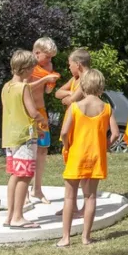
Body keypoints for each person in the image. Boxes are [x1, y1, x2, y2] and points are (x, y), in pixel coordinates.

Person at [58, 69, 120, 247]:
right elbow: (115, 134)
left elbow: (64, 131)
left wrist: (66, 144)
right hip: (96, 157)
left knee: (69, 197)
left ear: (83, 86)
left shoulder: (75, 107)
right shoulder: (106, 108)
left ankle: (66, 238)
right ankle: (86, 237)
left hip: (76, 155)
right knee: (90, 197)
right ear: (101, 88)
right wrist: (105, 146)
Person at [1, 50, 49, 229]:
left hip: (10, 136)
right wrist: (42, 122)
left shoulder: (6, 87)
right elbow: (32, 111)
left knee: (15, 174)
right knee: (25, 175)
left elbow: (14, 112)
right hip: (25, 138)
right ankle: (18, 217)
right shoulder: (24, 88)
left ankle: (10, 215)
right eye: (32, 68)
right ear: (26, 68)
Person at [53, 48, 91, 217]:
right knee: (70, 167)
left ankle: (83, 205)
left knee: (81, 169)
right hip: (71, 127)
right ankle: (72, 204)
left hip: (80, 128)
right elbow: (58, 93)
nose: (68, 68)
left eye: (70, 65)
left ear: (78, 64)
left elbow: (71, 100)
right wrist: (69, 93)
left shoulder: (87, 80)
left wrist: (69, 97)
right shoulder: (75, 79)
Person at [29, 37, 60, 205]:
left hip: (41, 112)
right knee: (28, 151)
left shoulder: (46, 67)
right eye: (47, 56)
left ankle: (37, 189)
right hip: (27, 113)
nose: (49, 60)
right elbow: (23, 88)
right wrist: (44, 79)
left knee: (42, 149)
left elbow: (47, 91)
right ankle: (25, 193)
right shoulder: (27, 65)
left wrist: (50, 81)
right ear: (37, 52)